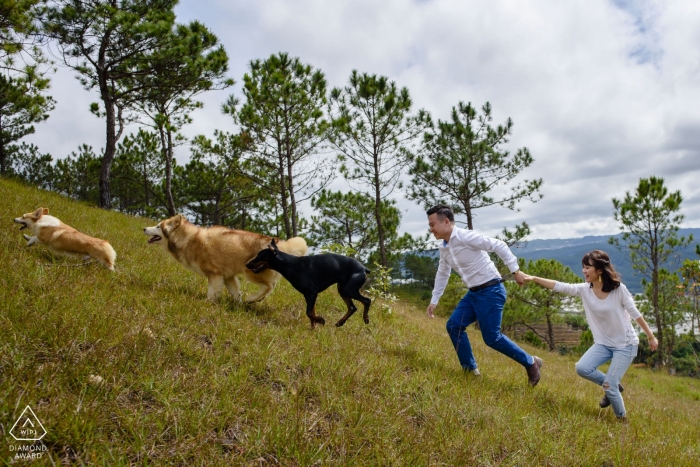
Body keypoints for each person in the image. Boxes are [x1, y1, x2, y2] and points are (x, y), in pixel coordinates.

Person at [522, 249, 658, 420]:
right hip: (604, 343)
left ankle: (622, 420)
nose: (584, 271)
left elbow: (635, 313)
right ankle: (613, 387)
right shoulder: (584, 289)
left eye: (588, 267)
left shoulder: (619, 290)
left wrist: (651, 336)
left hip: (625, 345)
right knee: (582, 368)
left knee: (609, 386)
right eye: (583, 267)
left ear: (599, 270)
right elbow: (559, 286)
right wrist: (534, 278)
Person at [425, 205, 543, 386]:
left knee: (492, 338)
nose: (430, 229)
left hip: (491, 291)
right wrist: (434, 300)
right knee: (454, 326)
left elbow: (499, 245)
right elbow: (443, 273)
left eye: (433, 224)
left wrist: (515, 271)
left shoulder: (465, 237)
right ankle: (470, 371)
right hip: (473, 294)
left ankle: (531, 362)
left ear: (446, 221)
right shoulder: (445, 248)